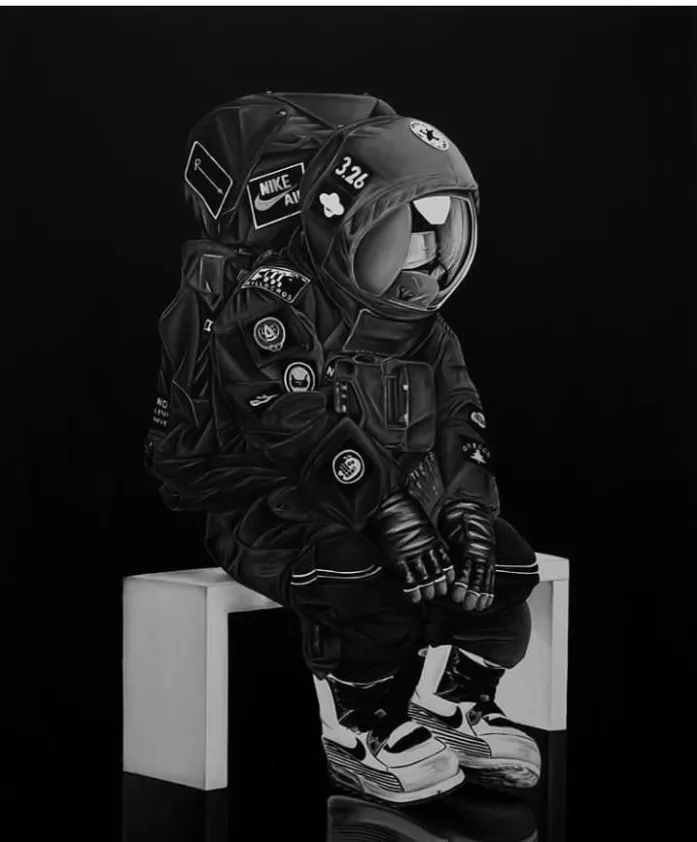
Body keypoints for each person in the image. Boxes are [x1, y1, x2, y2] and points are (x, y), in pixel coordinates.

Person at [198, 111, 542, 805]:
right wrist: (385, 510)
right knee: (358, 573)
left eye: (438, 236)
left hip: (401, 498)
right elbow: (292, 425)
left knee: (504, 563)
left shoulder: (427, 332)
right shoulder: (268, 305)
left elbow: (460, 417)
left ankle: (454, 704)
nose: (425, 258)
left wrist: (467, 508)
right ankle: (359, 725)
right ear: (346, 227)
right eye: (405, 236)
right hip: (274, 508)